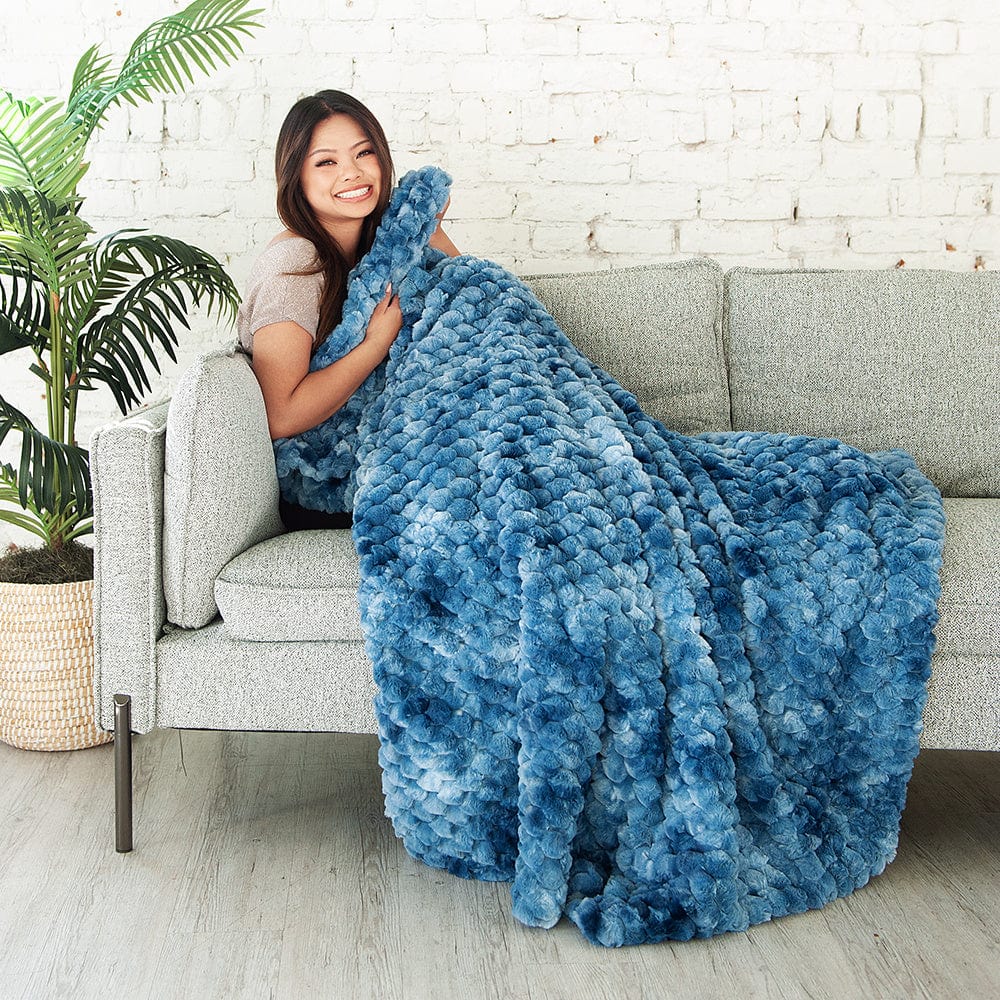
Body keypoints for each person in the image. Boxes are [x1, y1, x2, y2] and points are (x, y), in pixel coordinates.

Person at [236, 90, 459, 529]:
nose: (353, 173)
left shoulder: (378, 249)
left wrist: (424, 227)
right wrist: (375, 344)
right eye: (326, 162)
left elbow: (465, 296)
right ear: (295, 176)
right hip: (323, 488)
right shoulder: (295, 265)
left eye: (364, 153)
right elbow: (280, 415)